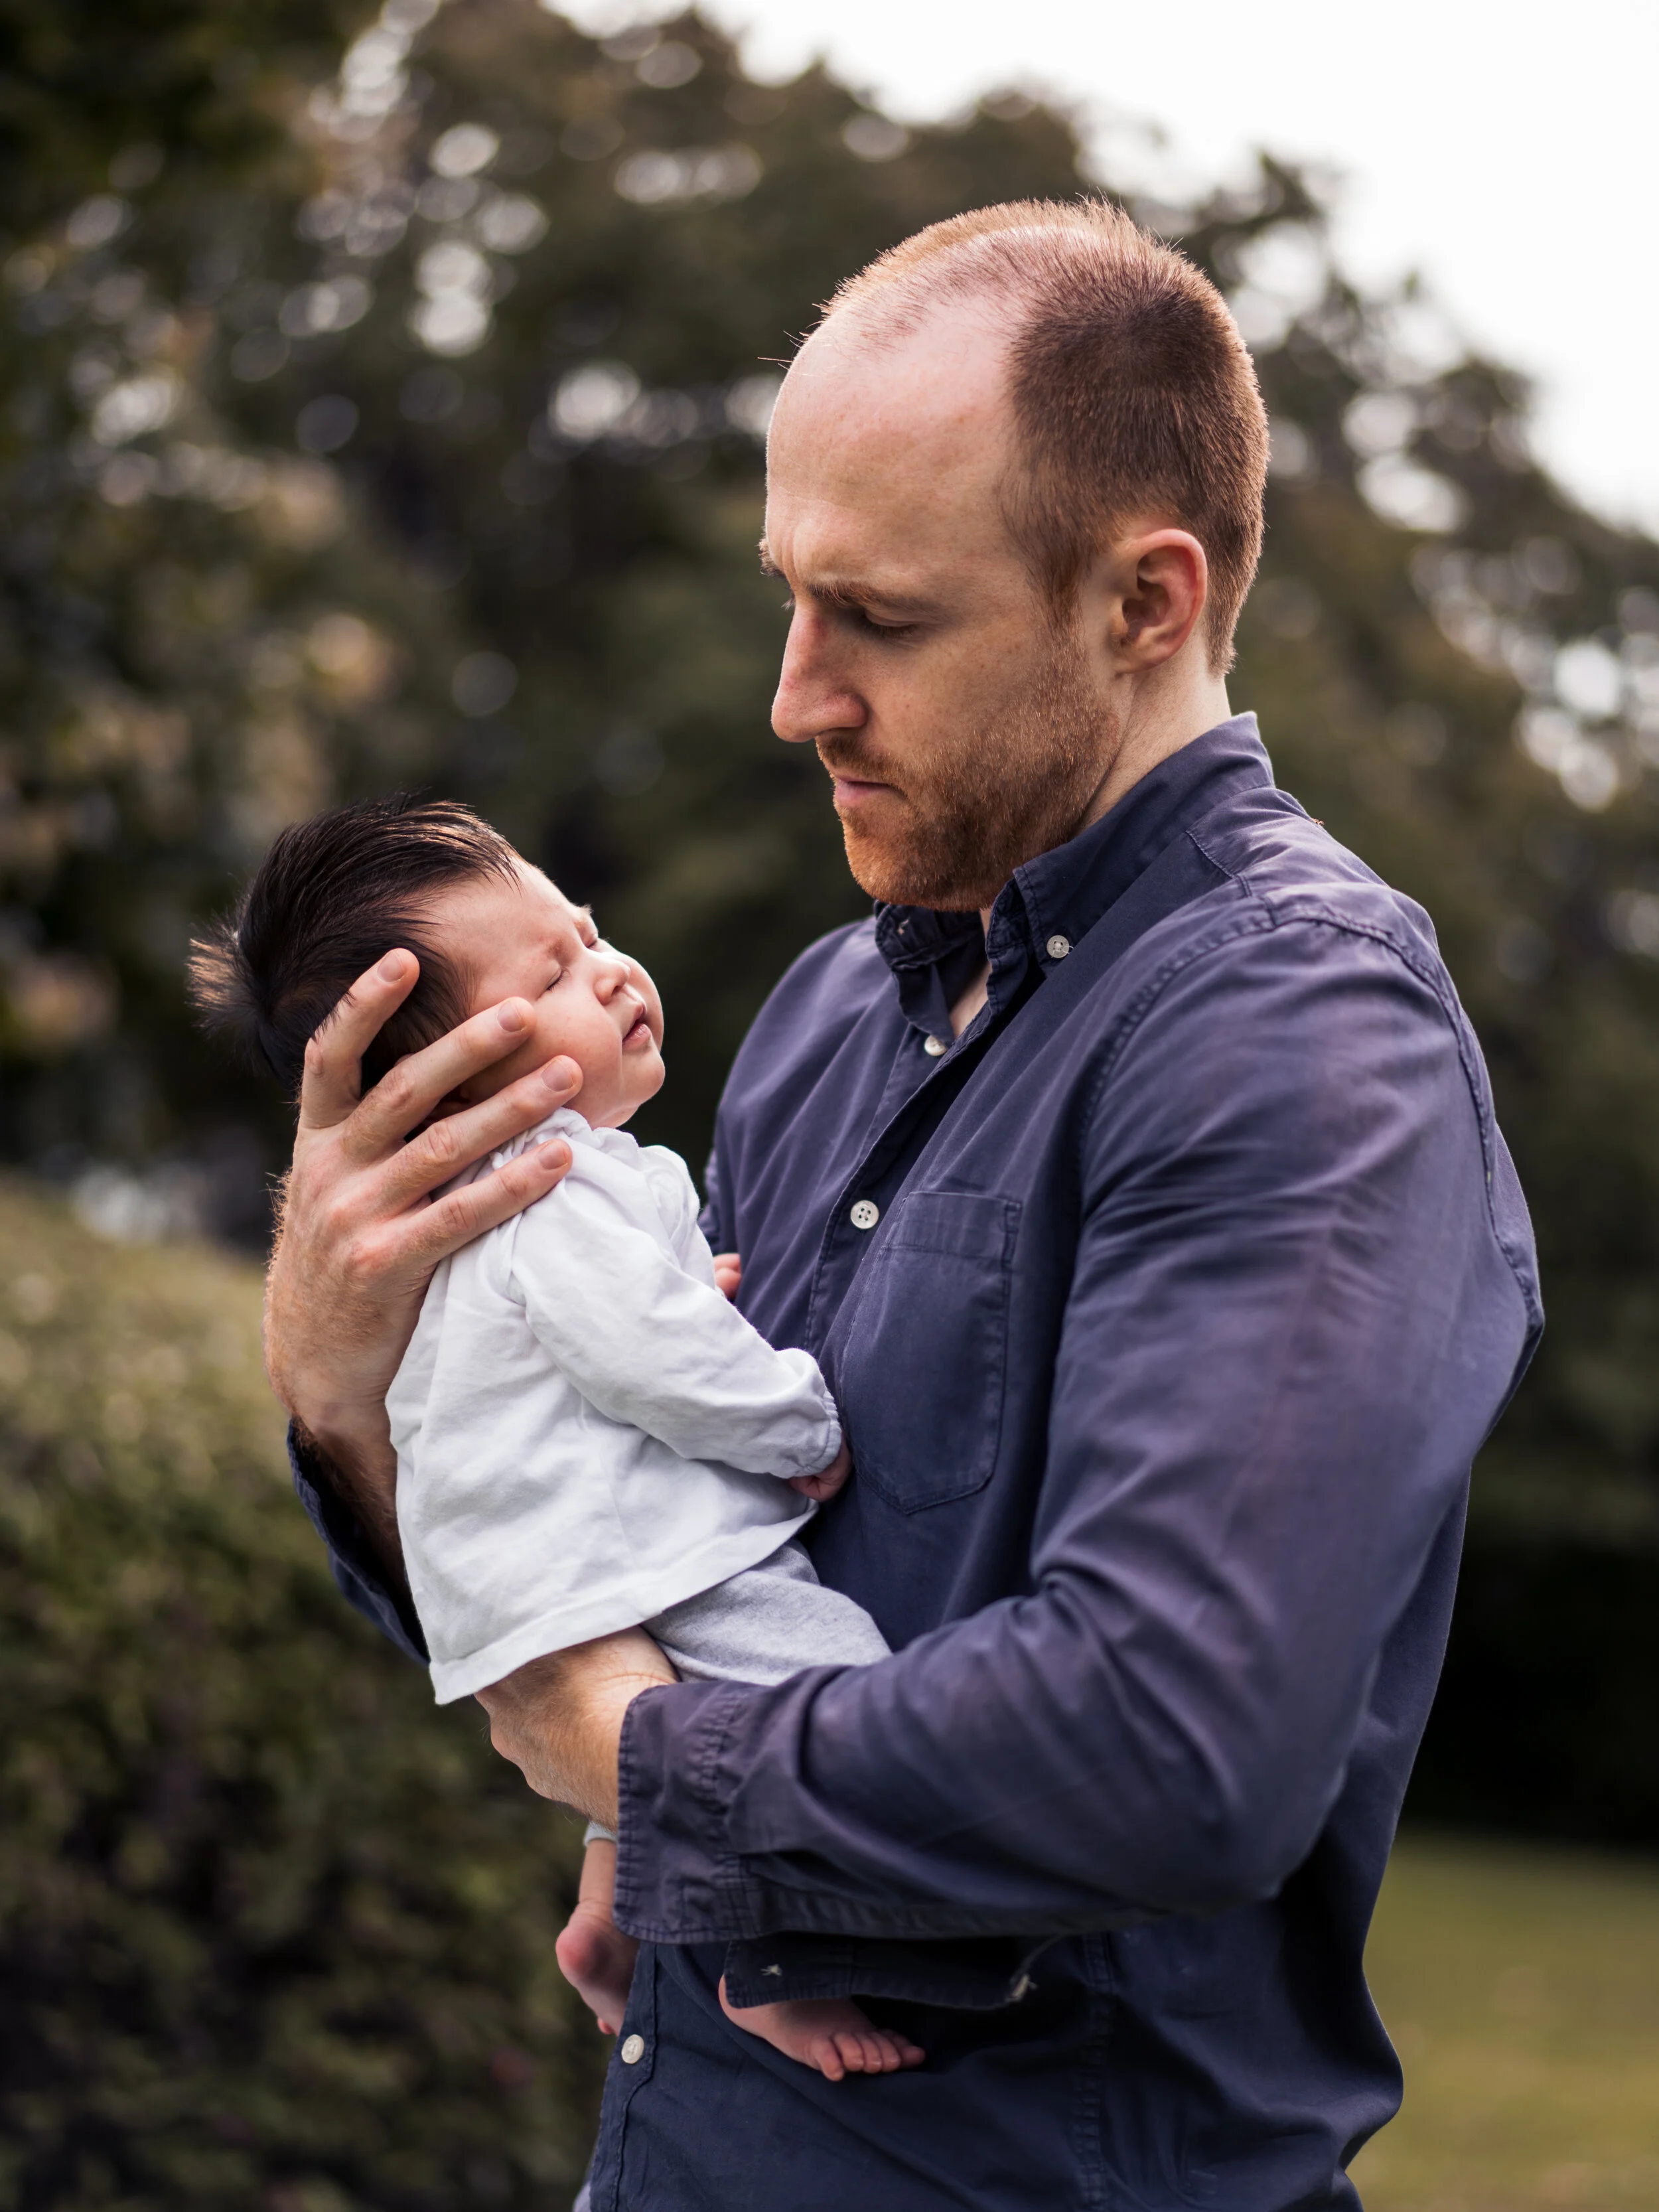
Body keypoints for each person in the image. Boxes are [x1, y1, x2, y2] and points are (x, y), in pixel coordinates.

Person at [263, 200, 1542, 2211]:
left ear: (1144, 600)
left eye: (879, 616)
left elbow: (1169, 1737)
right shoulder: (826, 1013)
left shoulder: (1297, 1036)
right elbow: (596, 1544)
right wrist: (347, 1397)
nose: (794, 696)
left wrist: (643, 1768)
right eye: (787, 595)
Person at [188, 792, 918, 2083]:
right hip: (601, 1564)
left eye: (588, 932)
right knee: (830, 1671)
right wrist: (792, 1418)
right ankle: (762, 1968)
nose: (612, 964)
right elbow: (658, 1357)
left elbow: (633, 1335)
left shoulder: (549, 1196)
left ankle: (613, 1903)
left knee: (673, 1702)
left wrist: (692, 1302)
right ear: (451, 1086)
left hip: (563, 1576)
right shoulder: (551, 1193)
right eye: (559, 975)